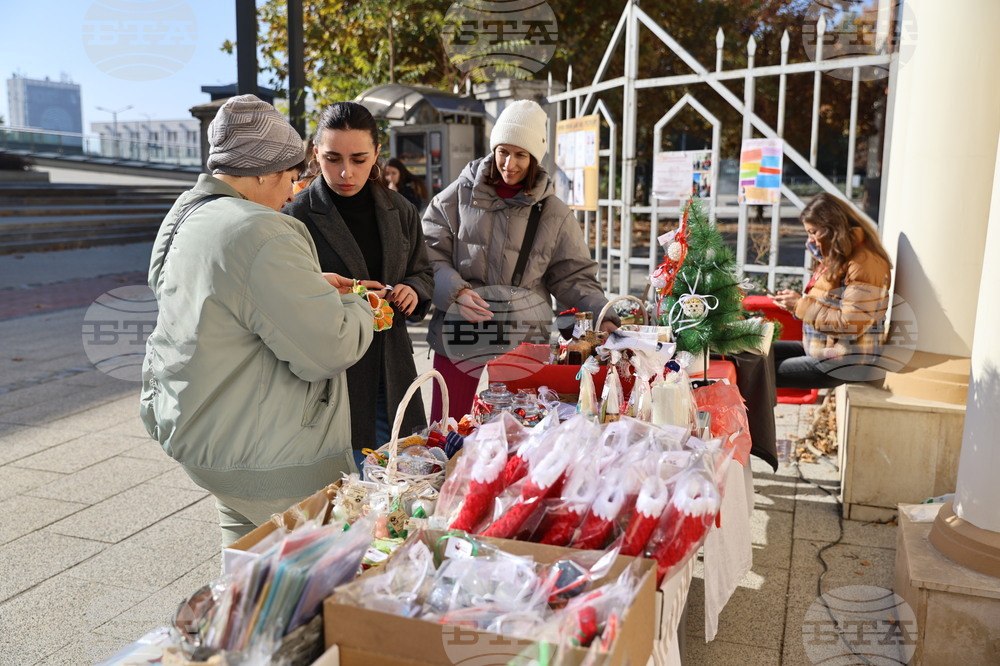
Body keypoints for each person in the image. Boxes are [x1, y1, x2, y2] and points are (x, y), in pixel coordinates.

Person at [140, 94, 375, 546]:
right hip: (273, 458)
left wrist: (306, 286)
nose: (292, 192)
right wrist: (357, 303)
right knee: (304, 590)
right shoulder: (262, 230)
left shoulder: (188, 214)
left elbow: (229, 298)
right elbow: (330, 348)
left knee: (245, 572)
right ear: (264, 170)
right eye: (290, 176)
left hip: (209, 435)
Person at [422, 99, 618, 422]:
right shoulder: (456, 196)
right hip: (459, 338)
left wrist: (603, 314)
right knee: (450, 433)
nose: (509, 163)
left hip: (523, 344)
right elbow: (428, 256)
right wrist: (455, 292)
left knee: (517, 438)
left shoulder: (554, 213)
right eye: (503, 151)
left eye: (521, 155)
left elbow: (574, 277)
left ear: (535, 158)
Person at [284, 102, 434, 463]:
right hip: (331, 374)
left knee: (400, 473)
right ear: (315, 152)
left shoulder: (401, 210)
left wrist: (413, 289)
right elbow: (284, 294)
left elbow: (423, 270)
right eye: (332, 158)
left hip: (392, 366)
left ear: (378, 154)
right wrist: (336, 292)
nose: (345, 172)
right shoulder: (295, 214)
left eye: (359, 159)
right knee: (343, 488)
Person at [771, 192, 892, 389]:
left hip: (849, 362)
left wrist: (800, 305)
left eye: (813, 232)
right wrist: (794, 304)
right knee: (754, 355)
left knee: (759, 371)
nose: (809, 240)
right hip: (823, 350)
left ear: (832, 229)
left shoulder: (865, 263)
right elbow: (828, 301)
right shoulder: (841, 256)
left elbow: (850, 324)